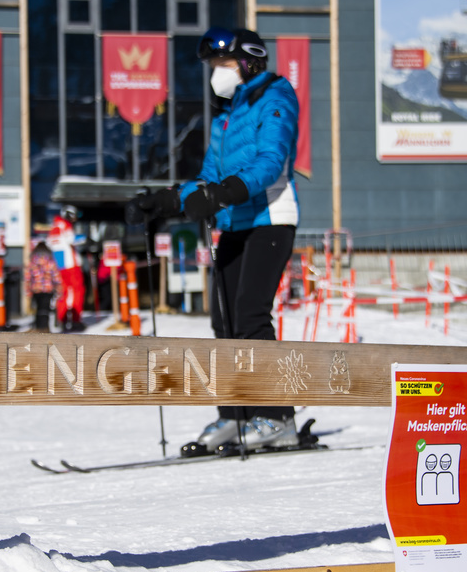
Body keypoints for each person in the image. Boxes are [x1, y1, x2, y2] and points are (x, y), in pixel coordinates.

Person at [126, 27, 301, 456]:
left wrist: (224, 193)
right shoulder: (225, 117)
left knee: (250, 316)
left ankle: (278, 418)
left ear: (247, 62)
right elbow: (208, 179)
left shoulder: (276, 96)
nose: (215, 74)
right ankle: (236, 414)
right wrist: (167, 200)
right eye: (212, 67)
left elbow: (270, 162)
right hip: (236, 224)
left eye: (221, 65)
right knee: (222, 322)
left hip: (271, 219)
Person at [47, 205, 86, 332]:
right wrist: (86, 238)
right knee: (77, 291)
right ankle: (75, 320)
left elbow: (51, 244)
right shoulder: (65, 225)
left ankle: (62, 319)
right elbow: (72, 239)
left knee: (62, 293)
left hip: (59, 266)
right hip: (71, 266)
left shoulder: (54, 226)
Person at [25, 240, 62, 333]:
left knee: (38, 308)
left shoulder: (32, 261)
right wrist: (59, 288)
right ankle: (45, 328)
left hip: (36, 289)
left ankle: (38, 327)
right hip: (48, 289)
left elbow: (28, 277)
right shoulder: (50, 261)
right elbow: (56, 276)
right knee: (45, 309)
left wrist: (28, 290)